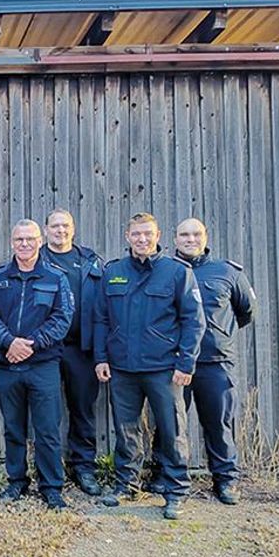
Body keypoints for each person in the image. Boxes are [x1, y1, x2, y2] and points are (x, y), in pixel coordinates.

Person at [94, 212, 206, 520]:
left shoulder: (176, 272)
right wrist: (101, 358)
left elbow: (193, 322)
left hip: (164, 369)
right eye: (136, 234)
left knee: (172, 430)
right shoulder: (114, 272)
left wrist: (186, 363)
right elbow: (101, 318)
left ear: (158, 236)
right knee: (126, 429)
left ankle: (176, 490)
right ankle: (126, 483)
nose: (142, 239)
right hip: (123, 368)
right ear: (127, 236)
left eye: (148, 234)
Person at [151, 218, 254, 504]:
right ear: (174, 238)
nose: (190, 239)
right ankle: (164, 475)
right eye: (184, 234)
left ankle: (226, 480)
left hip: (215, 362)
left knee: (218, 423)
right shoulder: (164, 271)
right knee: (170, 423)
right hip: (173, 364)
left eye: (196, 234)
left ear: (206, 237)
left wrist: (219, 337)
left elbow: (246, 312)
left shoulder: (227, 272)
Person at [0, 220, 73, 510]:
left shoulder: (56, 277)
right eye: (19, 239)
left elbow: (62, 319)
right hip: (8, 366)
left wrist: (29, 344)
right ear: (12, 243)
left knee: (47, 430)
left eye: (30, 239)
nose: (24, 244)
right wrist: (10, 342)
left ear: (39, 241)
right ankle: (17, 481)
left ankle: (51, 487)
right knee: (13, 428)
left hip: (42, 366)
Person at [40, 209, 104, 496]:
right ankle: (49, 468)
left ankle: (84, 467)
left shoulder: (89, 261)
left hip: (82, 349)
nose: (60, 231)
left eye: (65, 226)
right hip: (46, 350)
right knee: (46, 412)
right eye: (55, 226)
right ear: (46, 230)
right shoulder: (35, 260)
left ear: (73, 229)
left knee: (82, 410)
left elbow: (103, 309)